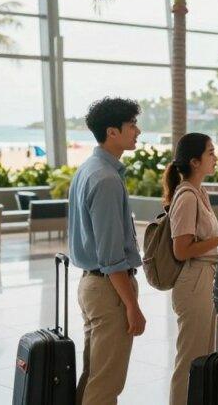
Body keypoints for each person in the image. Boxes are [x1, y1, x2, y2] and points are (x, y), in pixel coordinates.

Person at [67, 97, 145, 405]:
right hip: (107, 289)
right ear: (112, 132)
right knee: (106, 384)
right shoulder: (107, 179)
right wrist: (132, 305)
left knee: (95, 375)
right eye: (131, 125)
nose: (137, 131)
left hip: (92, 285)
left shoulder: (88, 170)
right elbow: (112, 256)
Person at [164, 133, 218, 405]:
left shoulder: (200, 192)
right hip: (193, 280)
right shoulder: (186, 196)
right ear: (195, 161)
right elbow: (181, 250)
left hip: (205, 278)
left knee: (203, 355)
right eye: (210, 153)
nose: (216, 158)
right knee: (190, 359)